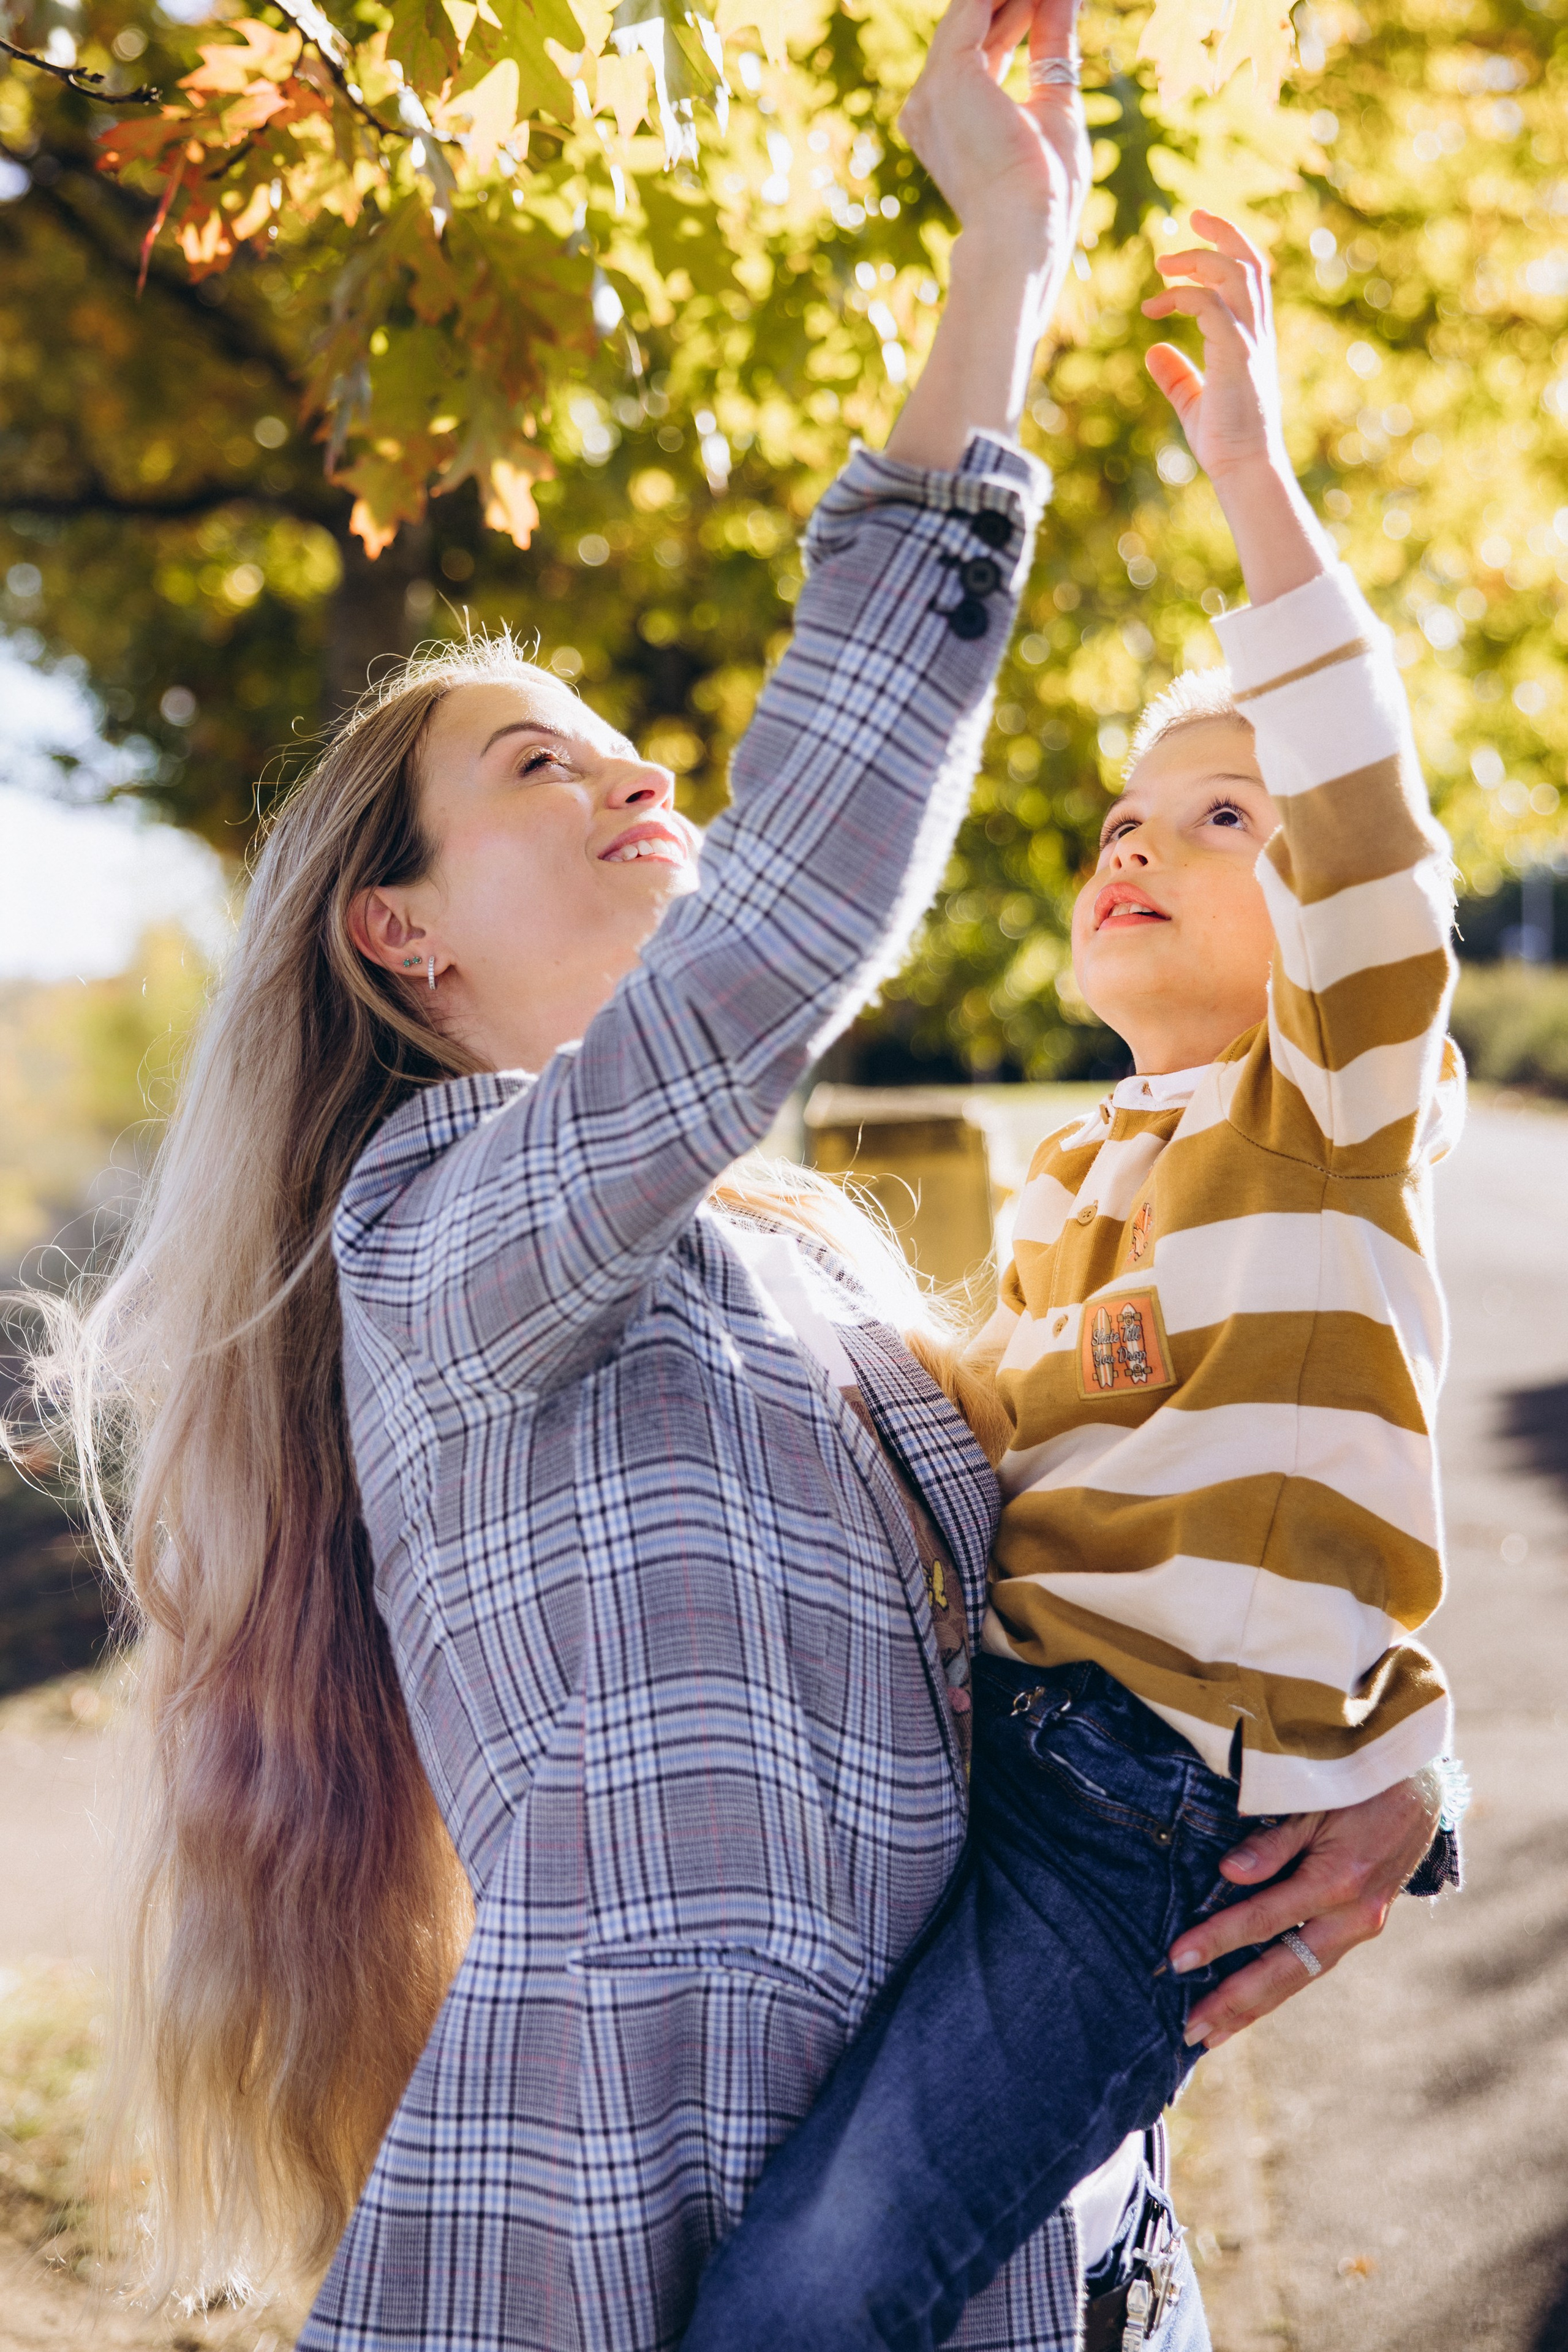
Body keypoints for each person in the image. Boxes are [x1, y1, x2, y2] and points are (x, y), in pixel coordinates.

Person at [8, 2, 1133, 2343]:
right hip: (636, 2237)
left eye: (635, 754)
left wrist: (1357, 1782)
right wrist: (1001, 273)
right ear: (395, 931)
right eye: (541, 765)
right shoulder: (431, 1232)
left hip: (1019, 2230)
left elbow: (1099, 1645)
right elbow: (783, 926)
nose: (645, 781)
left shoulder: (813, 1268)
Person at [678, 212, 1468, 2352]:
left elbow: (1371, 826)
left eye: (1222, 819)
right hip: (1002, 1747)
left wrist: (1255, 483)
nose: (1141, 841)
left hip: (1141, 1805)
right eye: (1130, 816)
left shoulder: (1332, 1100)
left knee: (819, 2291)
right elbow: (986, 1435)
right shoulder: (1079, 1166)